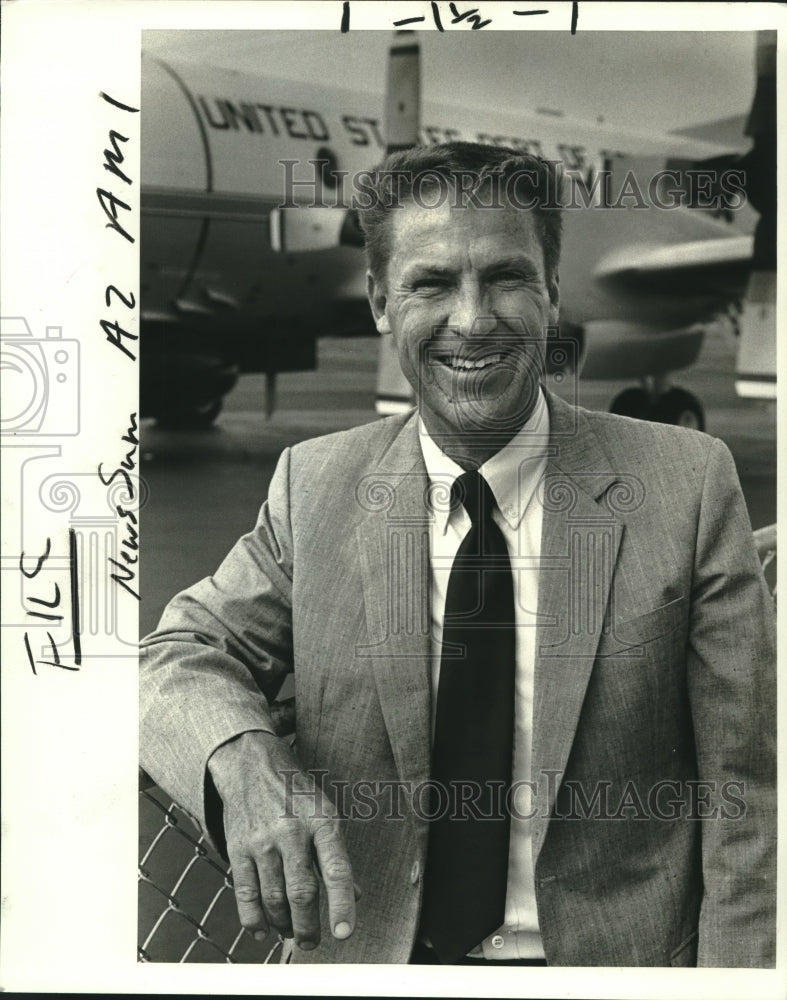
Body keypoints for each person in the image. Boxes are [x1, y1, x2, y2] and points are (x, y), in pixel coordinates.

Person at [140, 142, 776, 967]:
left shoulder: (688, 483)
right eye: (431, 283)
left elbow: (745, 799)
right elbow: (178, 651)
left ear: (551, 293)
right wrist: (243, 759)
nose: (472, 320)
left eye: (506, 278)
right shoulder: (315, 484)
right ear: (378, 301)